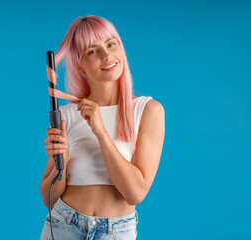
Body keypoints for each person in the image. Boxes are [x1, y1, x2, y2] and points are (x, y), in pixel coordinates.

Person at [40, 15, 165, 240]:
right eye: (93, 51)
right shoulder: (67, 115)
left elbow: (135, 193)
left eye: (111, 44)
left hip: (116, 232)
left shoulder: (148, 110)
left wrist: (101, 132)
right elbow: (49, 200)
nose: (107, 55)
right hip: (63, 225)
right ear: (80, 63)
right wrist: (63, 160)